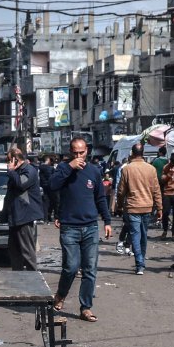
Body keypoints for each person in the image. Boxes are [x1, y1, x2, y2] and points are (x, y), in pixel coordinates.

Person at [48, 135, 114, 321]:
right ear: (70, 153)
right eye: (75, 153)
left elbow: (100, 197)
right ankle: (60, 294)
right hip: (69, 227)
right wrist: (69, 167)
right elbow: (52, 185)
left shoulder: (94, 171)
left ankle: (86, 307)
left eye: (82, 152)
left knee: (90, 269)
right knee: (70, 267)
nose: (79, 156)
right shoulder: (62, 168)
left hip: (90, 227)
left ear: (87, 151)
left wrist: (107, 221)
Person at [115, 141, 162, 274]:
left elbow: (121, 191)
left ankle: (139, 264)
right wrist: (160, 208)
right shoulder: (151, 169)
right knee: (143, 235)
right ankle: (142, 261)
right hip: (147, 207)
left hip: (132, 207)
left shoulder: (127, 169)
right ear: (143, 154)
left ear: (132, 153)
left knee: (135, 235)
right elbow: (156, 190)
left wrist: (119, 205)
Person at [2, 145, 45, 271]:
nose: (8, 164)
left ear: (15, 159)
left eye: (9, 160)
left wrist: (10, 171)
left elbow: (21, 184)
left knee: (27, 250)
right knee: (14, 250)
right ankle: (18, 275)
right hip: (15, 216)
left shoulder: (28, 170)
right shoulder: (18, 171)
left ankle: (33, 276)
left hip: (24, 216)